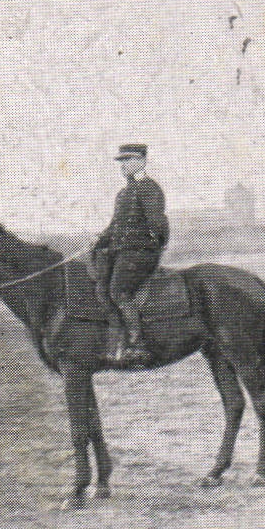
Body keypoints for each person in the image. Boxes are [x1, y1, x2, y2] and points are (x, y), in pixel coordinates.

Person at [91, 143, 169, 364]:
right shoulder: (124, 192)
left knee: (118, 291)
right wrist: (99, 240)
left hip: (140, 254)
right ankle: (115, 341)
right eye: (121, 161)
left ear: (142, 161)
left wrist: (155, 247)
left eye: (128, 160)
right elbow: (115, 225)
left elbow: (159, 223)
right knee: (102, 288)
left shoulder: (149, 188)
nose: (123, 165)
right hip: (122, 253)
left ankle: (137, 345)